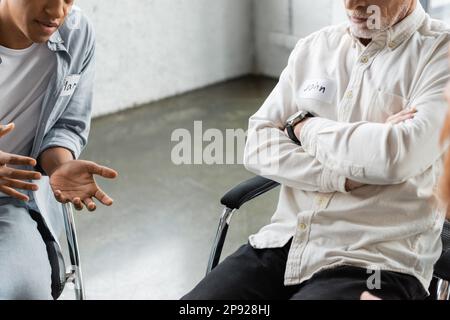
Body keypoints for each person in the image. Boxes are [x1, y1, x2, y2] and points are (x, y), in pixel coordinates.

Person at [184, 0, 450, 300]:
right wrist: (344, 174)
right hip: (285, 243)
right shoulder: (314, 47)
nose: (352, 3)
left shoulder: (441, 54)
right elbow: (258, 144)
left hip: (374, 262)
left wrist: (302, 126)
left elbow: (395, 157)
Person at [0, 0, 117, 299]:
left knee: (23, 290)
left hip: (8, 202)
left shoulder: (76, 32)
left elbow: (65, 124)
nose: (57, 12)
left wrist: (60, 164)